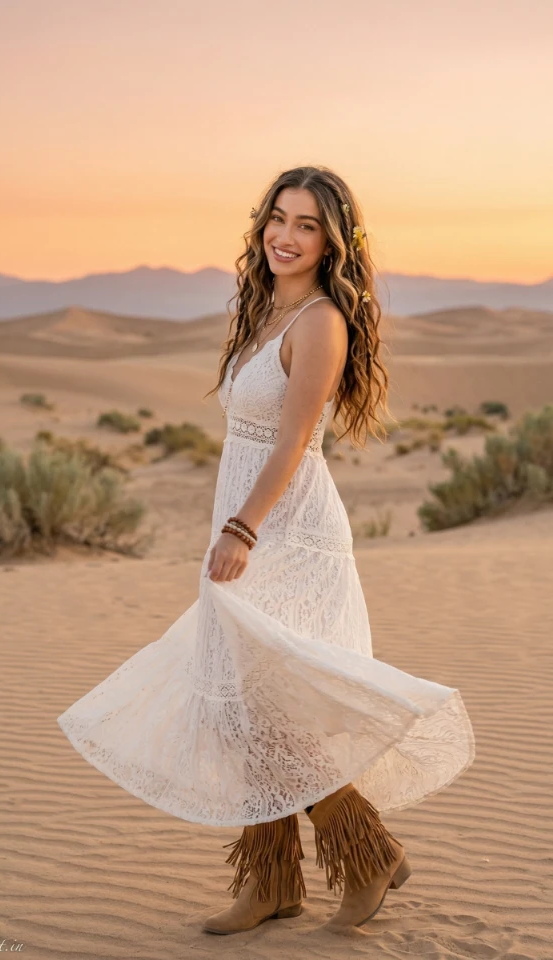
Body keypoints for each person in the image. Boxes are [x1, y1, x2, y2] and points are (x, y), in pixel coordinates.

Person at [57, 165, 475, 935]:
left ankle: (367, 848)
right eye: (277, 219)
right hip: (251, 516)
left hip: (287, 529)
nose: (286, 235)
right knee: (241, 704)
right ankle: (274, 882)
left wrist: (242, 529)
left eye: (307, 224)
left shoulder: (317, 321)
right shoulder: (264, 313)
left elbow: (293, 441)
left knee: (265, 706)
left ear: (332, 242)